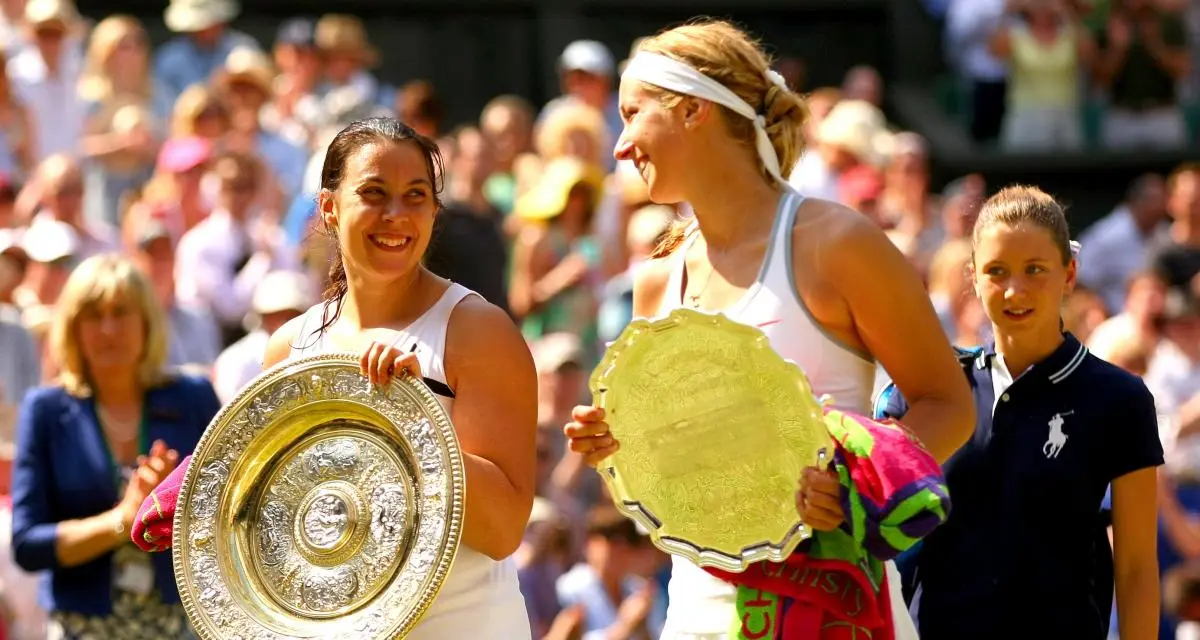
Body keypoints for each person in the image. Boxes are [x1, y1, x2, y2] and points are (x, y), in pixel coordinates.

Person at [562, 19, 975, 639]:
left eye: (632, 114)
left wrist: (851, 482)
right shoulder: (655, 279)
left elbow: (950, 406)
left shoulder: (838, 244)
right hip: (696, 611)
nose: (620, 146)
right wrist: (620, 441)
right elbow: (682, 466)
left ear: (694, 110)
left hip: (833, 607)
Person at [138, 117, 538, 639]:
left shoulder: (477, 330)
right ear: (328, 207)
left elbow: (503, 530)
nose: (396, 215)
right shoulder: (290, 348)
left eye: (415, 196)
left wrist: (409, 420)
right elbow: (276, 531)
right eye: (374, 193)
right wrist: (199, 497)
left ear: (434, 212)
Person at [874, 186, 1163, 639]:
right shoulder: (931, 391)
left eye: (1035, 270)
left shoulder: (1119, 399)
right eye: (996, 271)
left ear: (1070, 273)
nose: (1015, 290)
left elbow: (1138, 568)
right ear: (972, 277)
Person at [10, 253, 219, 639]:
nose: (108, 328)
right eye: (93, 315)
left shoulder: (194, 399)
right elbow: (27, 545)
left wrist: (171, 501)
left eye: (121, 312)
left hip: (179, 621)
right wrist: (123, 518)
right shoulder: (46, 410)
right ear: (72, 328)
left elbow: (229, 512)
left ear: (147, 322)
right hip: (82, 627)